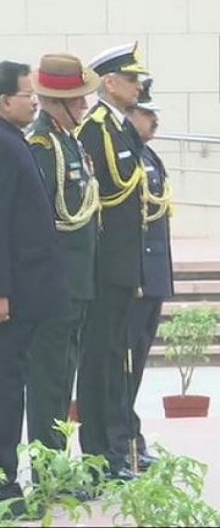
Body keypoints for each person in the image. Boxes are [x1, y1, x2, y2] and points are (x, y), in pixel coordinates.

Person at [0, 60, 69, 515]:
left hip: (27, 292)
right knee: (4, 393)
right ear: (4, 101)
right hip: (6, 298)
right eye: (27, 94)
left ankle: (6, 486)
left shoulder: (14, 141)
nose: (34, 100)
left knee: (12, 388)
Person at [76, 41, 150, 480]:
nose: (139, 85)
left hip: (123, 265)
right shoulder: (98, 128)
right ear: (109, 82)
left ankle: (115, 446)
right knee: (100, 360)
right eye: (132, 78)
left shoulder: (120, 128)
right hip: (104, 266)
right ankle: (99, 452)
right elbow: (104, 197)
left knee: (115, 359)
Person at [25, 54, 101, 452]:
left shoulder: (66, 142)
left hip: (76, 281)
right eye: (78, 100)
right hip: (56, 284)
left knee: (62, 377)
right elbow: (44, 220)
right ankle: (46, 465)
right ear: (56, 103)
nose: (85, 107)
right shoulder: (41, 145)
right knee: (49, 380)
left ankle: (56, 459)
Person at [124, 78, 174, 470]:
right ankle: (124, 440)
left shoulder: (148, 157)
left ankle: (130, 438)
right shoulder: (126, 156)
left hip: (151, 276)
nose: (154, 120)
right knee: (124, 365)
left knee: (136, 364)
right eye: (147, 113)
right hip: (133, 279)